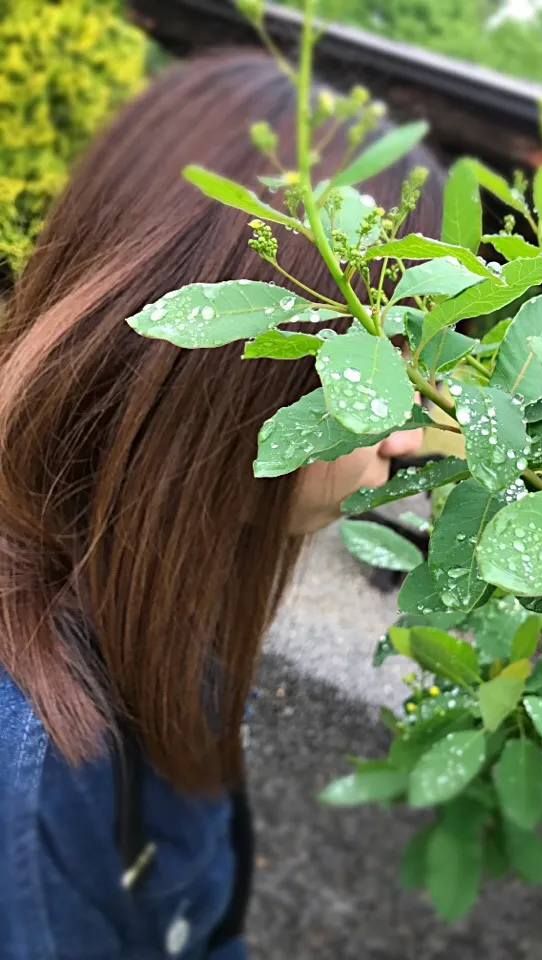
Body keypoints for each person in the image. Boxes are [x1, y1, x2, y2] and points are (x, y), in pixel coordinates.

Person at [0, 50, 441, 958]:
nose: (412, 431)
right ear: (221, 386)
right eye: (374, 365)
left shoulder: (139, 578)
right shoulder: (41, 772)